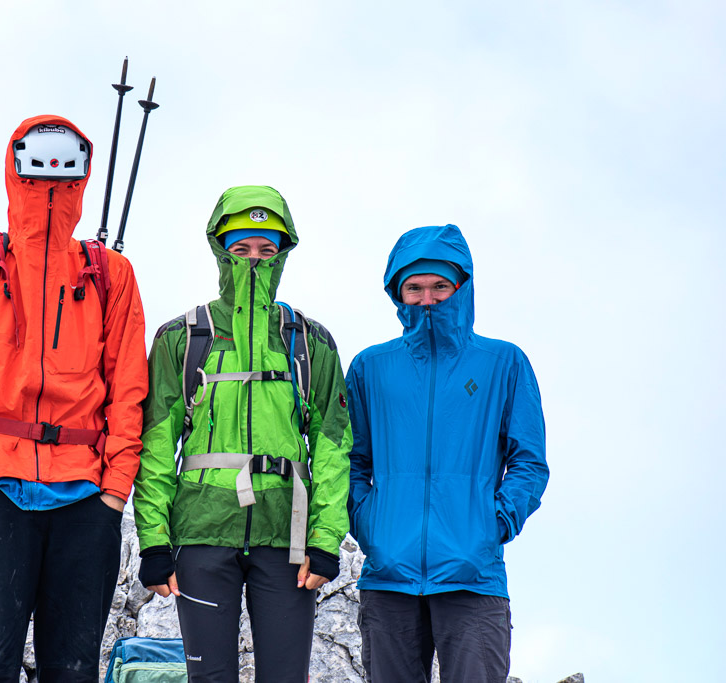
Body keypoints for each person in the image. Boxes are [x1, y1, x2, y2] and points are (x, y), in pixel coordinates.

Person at [0, 115, 147, 682]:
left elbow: (129, 392)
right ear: (15, 166)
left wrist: (115, 493)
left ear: (83, 175)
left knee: (74, 670)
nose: (50, 175)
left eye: (66, 165)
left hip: (87, 502)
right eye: (37, 162)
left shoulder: (111, 274)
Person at [132, 185, 352, 682]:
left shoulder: (308, 341)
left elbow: (334, 447)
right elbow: (156, 445)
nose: (254, 258)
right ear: (221, 250)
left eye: (266, 248)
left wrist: (325, 540)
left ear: (283, 254)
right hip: (202, 534)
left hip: (287, 540)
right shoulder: (183, 338)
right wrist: (153, 542)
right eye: (241, 247)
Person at [346, 224, 549, 683]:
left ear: (462, 287)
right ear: (397, 293)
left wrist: (491, 524)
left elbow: (528, 461)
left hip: (473, 576)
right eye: (413, 288)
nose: (427, 298)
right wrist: (370, 525)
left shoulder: (503, 363)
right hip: (387, 576)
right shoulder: (370, 367)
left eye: (440, 286)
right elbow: (351, 462)